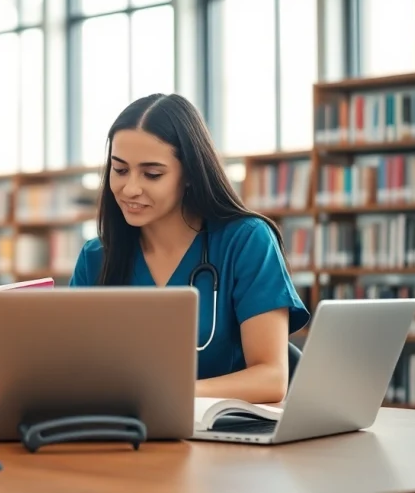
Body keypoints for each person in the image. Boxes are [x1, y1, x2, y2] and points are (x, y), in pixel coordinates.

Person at [71, 93, 309, 405]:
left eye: (152, 174)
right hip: (124, 436)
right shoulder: (95, 257)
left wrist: (166, 395)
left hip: (225, 440)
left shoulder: (246, 242)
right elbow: (73, 370)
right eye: (120, 170)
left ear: (189, 174)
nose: (130, 188)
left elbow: (271, 378)